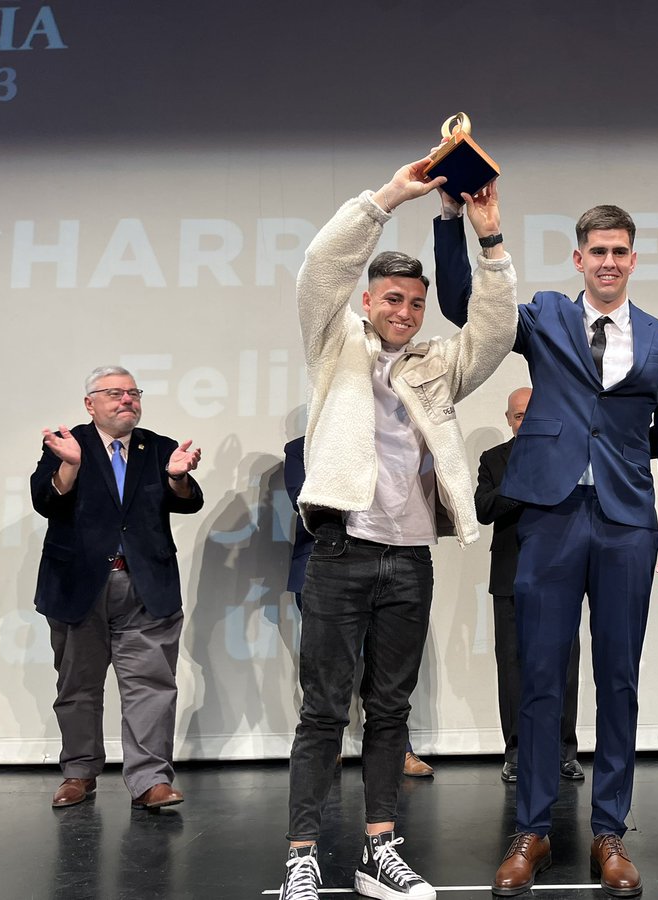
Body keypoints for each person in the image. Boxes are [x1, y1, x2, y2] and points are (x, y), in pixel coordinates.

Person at [435, 202, 658, 897]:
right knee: (540, 678)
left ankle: (609, 833)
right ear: (578, 259)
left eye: (619, 251)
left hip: (626, 523)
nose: (608, 261)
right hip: (546, 516)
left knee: (619, 680)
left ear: (633, 260)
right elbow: (466, 304)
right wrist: (455, 221)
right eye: (596, 250)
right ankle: (533, 831)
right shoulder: (545, 315)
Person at [278, 156, 516, 900]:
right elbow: (322, 265)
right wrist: (387, 198)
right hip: (342, 553)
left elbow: (496, 329)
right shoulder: (335, 346)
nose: (405, 312)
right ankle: (303, 854)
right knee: (322, 712)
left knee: (391, 712)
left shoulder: (434, 365)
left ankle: (379, 848)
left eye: (415, 303)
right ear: (369, 301)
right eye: (392, 299)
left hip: (410, 558)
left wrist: (490, 239)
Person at [32, 366, 203, 810]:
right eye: (114, 393)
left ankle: (150, 781)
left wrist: (177, 477)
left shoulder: (158, 447)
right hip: (78, 586)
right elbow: (44, 500)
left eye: (133, 393)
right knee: (78, 686)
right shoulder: (69, 444)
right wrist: (69, 466)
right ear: (91, 403)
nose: (127, 400)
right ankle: (79, 772)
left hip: (145, 587)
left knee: (151, 686)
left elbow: (187, 501)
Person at [284, 435, 435, 779]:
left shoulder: (392, 442)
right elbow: (304, 500)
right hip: (325, 567)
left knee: (389, 680)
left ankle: (400, 750)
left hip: (391, 566)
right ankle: (327, 747)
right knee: (325, 673)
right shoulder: (300, 448)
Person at [474, 387, 584, 785]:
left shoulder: (568, 454)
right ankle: (517, 752)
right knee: (513, 667)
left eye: (531, 413)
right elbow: (483, 509)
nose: (525, 421)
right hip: (509, 575)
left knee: (564, 668)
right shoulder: (494, 459)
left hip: (561, 573)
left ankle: (563, 752)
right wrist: (524, 483)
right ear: (509, 420)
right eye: (518, 415)